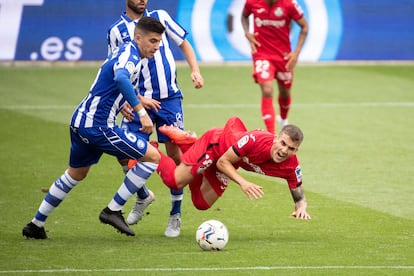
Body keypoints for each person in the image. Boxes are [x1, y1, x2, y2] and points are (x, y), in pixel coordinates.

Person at [22, 17, 166, 239]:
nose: (156, 47)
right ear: (138, 38)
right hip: (98, 126)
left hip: (80, 121)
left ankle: (35, 224)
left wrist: (123, 104)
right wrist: (141, 111)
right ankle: (113, 210)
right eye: (153, 41)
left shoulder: (125, 50)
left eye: (159, 42)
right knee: (153, 157)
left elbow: (108, 82)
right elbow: (120, 78)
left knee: (76, 174)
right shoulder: (131, 55)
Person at [107, 0, 204, 237]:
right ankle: (142, 196)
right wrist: (127, 103)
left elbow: (183, 43)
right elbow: (114, 69)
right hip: (138, 102)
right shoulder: (116, 31)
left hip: (169, 99)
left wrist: (195, 69)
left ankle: (175, 213)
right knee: (124, 154)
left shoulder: (159, 16)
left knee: (175, 155)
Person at [155, 117, 311, 219]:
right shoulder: (256, 140)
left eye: (291, 148)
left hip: (231, 161)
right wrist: (244, 182)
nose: (284, 151)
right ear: (276, 138)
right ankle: (153, 151)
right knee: (175, 182)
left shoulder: (291, 166)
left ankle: (188, 144)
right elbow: (222, 162)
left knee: (201, 203)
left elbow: (298, 193)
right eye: (283, 144)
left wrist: (301, 207)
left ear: (296, 151)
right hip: (215, 146)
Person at [241, 0, 309, 133]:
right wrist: (247, 32)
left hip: (283, 56)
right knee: (267, 90)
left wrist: (296, 53)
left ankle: (283, 120)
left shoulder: (290, 4)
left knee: (285, 92)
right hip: (262, 54)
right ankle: (271, 136)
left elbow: (305, 26)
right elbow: (244, 16)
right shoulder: (252, 2)